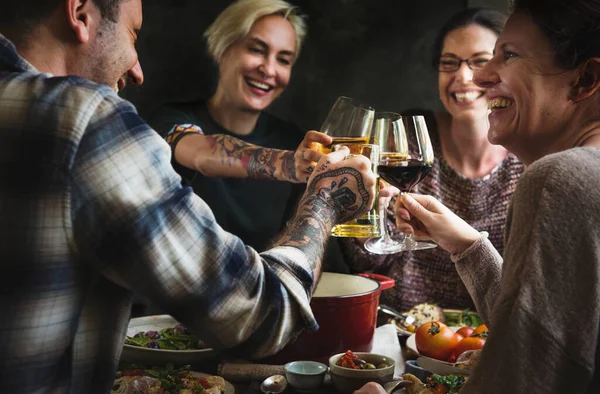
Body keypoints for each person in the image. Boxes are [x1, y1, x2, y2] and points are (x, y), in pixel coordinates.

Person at [0, 0, 378, 393]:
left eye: (284, 58)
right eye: (133, 33)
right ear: (79, 13)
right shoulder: (91, 119)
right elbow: (262, 316)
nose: (137, 71)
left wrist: (302, 168)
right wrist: (324, 197)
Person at [392, 0, 600, 391]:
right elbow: (544, 341)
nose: (481, 77)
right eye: (449, 62)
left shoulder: (558, 179)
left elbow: (517, 380)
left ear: (584, 79)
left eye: (508, 55)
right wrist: (467, 245)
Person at [337, 8, 524, 311]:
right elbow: (364, 262)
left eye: (479, 61)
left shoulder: (527, 161)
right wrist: (367, 212)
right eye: (449, 63)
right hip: (401, 329)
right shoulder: (407, 143)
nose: (462, 77)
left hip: (492, 336)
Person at [147, 0, 323, 253]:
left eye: (284, 60)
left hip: (260, 288)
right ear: (222, 49)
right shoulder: (170, 119)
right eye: (257, 50)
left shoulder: (292, 139)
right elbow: (202, 154)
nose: (269, 69)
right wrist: (289, 164)